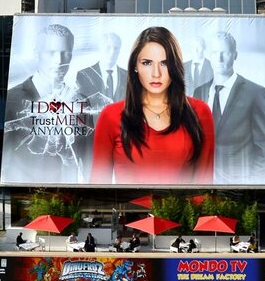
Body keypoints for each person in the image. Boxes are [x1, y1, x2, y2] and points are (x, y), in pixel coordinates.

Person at [90, 26, 215, 185]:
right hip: (128, 210)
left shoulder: (200, 112)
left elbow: (205, 188)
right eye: (147, 63)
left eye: (165, 63)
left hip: (184, 210)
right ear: (135, 66)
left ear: (175, 66)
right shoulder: (111, 116)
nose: (156, 73)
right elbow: (97, 188)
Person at [192, 31, 265, 184]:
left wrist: (255, 187)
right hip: (203, 187)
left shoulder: (255, 93)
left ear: (235, 55)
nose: (219, 58)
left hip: (240, 188)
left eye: (225, 52)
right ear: (209, 55)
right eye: (215, 52)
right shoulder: (199, 92)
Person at [5, 23, 83, 182]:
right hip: (26, 191)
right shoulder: (12, 99)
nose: (59, 60)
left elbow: (86, 155)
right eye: (51, 52)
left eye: (65, 53)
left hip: (69, 193)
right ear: (37, 54)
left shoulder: (81, 101)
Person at [75, 32, 126, 109]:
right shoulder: (84, 74)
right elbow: (82, 106)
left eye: (116, 48)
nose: (112, 52)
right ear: (100, 49)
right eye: (108, 47)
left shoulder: (128, 75)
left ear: (119, 51)